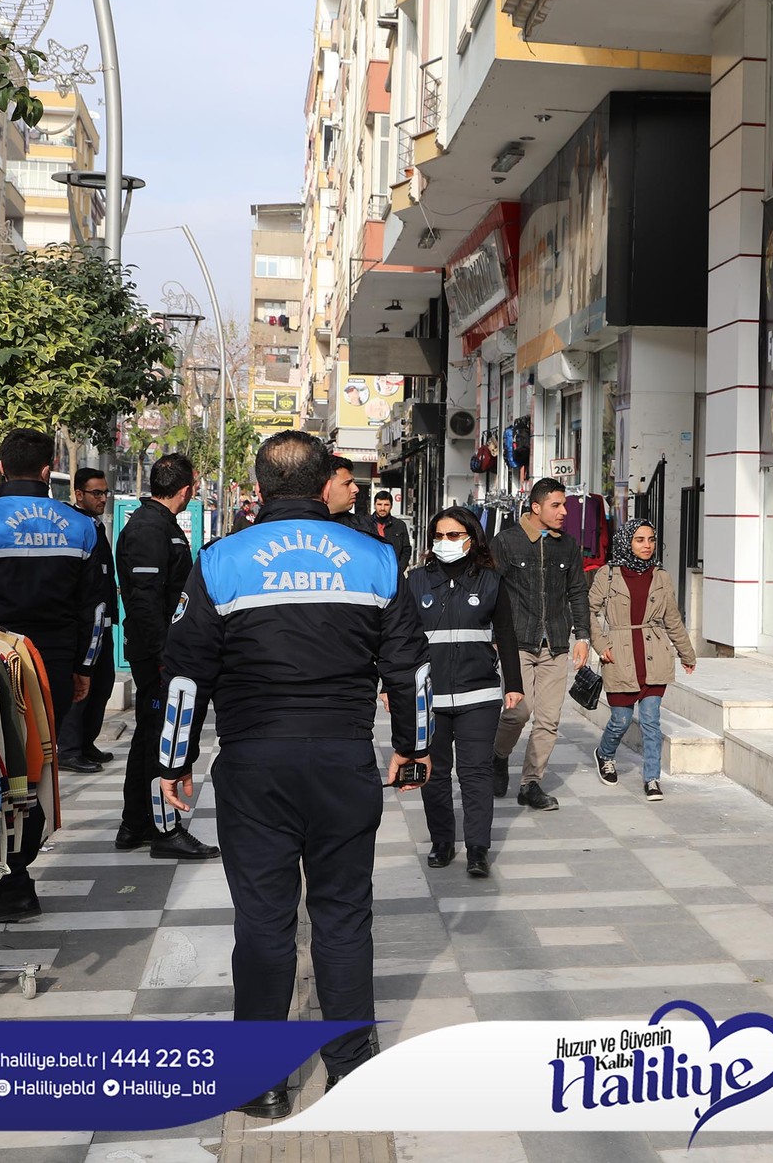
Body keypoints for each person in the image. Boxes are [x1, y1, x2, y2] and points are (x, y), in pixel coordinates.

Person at [158, 431, 427, 1121]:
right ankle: (353, 1072)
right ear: (324, 483)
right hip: (343, 760)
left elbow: (185, 671)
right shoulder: (376, 556)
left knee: (263, 922)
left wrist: (173, 762)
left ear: (259, 488)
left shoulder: (221, 560)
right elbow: (410, 666)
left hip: (254, 766)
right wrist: (413, 746)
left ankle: (262, 1081)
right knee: (343, 917)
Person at [0, 429, 112, 923]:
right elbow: (97, 610)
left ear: (0, 467)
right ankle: (16, 875)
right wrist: (84, 668)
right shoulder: (81, 527)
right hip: (53, 667)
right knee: (36, 768)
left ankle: (12, 881)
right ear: (48, 469)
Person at [114, 453, 219, 861]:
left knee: (149, 736)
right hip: (157, 655)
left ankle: (135, 824)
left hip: (161, 651)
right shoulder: (148, 529)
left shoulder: (161, 524)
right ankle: (164, 829)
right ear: (187, 489)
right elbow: (144, 603)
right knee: (161, 739)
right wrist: (164, 657)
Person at [410, 506, 524, 879]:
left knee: (475, 773)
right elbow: (400, 638)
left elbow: (506, 634)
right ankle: (442, 841)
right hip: (430, 697)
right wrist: (388, 685)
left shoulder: (491, 581)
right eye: (439, 536)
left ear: (471, 539)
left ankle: (477, 848)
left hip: (479, 695)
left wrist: (514, 685)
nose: (445, 542)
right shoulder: (416, 581)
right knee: (434, 772)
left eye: (454, 535)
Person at [491, 477, 591, 811]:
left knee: (548, 720)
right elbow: (489, 589)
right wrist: (491, 637)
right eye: (556, 505)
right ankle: (498, 756)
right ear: (536, 507)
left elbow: (578, 591)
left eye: (565, 505)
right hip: (517, 642)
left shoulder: (569, 546)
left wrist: (583, 637)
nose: (564, 512)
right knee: (518, 712)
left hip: (557, 643)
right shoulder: (506, 542)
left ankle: (530, 784)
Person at [588, 519, 697, 802]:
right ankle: (605, 754)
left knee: (651, 721)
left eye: (651, 539)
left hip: (654, 656)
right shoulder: (607, 575)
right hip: (619, 656)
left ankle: (652, 778)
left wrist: (686, 653)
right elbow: (587, 611)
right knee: (620, 720)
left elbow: (672, 618)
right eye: (640, 540)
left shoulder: (661, 576)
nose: (647, 545)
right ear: (627, 542)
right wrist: (601, 644)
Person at [62, 467, 116, 774]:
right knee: (81, 687)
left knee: (102, 685)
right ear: (79, 494)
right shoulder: (77, 526)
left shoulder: (97, 526)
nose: (103, 498)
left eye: (105, 492)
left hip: (103, 622)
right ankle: (69, 749)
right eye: (96, 493)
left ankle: (86, 743)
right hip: (84, 623)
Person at [370, 489, 414, 573]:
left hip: (393, 571)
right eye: (379, 504)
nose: (382, 508)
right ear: (374, 505)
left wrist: (399, 569)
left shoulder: (399, 525)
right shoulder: (365, 523)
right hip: (371, 570)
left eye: (386, 505)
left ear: (391, 506)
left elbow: (406, 550)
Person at [325, 452, 366, 535]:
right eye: (347, 483)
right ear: (326, 487)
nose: (356, 489)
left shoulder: (362, 527)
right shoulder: (302, 526)